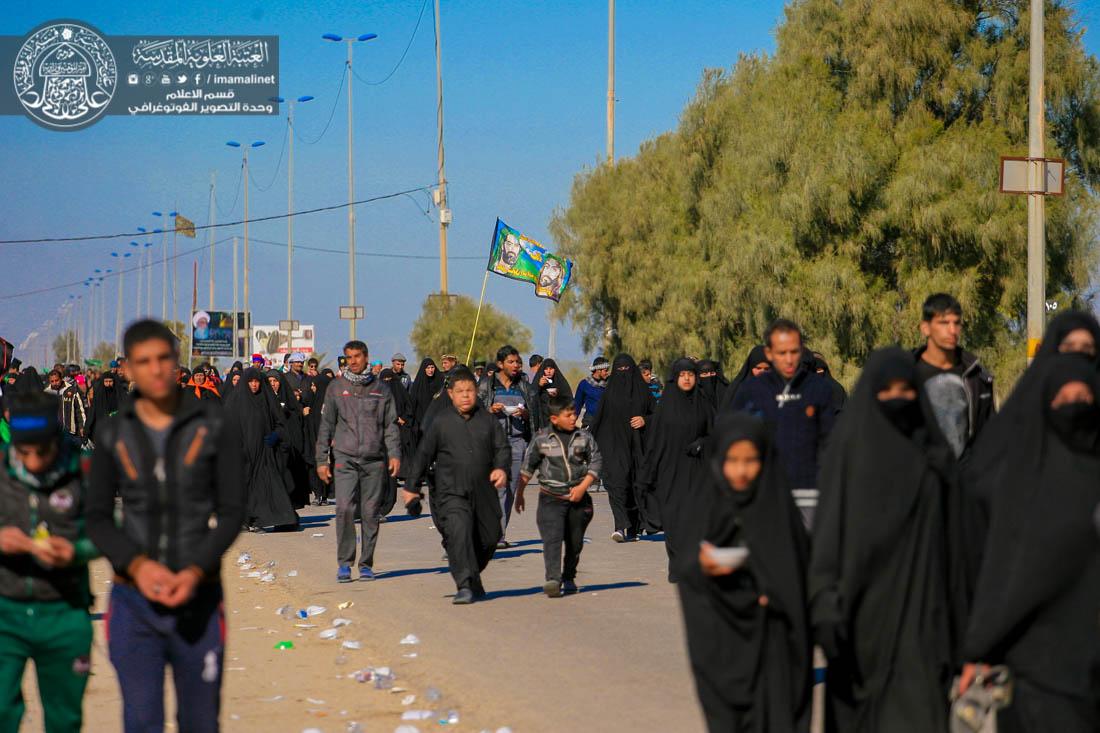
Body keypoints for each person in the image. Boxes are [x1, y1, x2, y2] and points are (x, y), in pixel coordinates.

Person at [86, 320, 244, 733]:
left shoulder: (212, 424)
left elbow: (232, 511)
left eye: (163, 359)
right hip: (134, 601)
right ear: (127, 369)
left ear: (177, 363)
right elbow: (97, 517)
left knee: (200, 722)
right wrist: (138, 567)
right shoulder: (113, 433)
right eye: (143, 361)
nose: (155, 369)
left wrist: (195, 570)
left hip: (200, 598)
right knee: (141, 720)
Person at [808, 347, 954, 733]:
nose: (897, 399)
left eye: (906, 390)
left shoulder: (936, 462)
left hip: (924, 629)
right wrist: (825, 613)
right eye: (885, 390)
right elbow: (826, 545)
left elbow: (961, 549)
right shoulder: (848, 460)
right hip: (856, 632)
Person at [958, 354, 1099, 731]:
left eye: (1084, 400)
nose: (1075, 410)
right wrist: (979, 648)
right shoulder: (1024, 483)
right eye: (1064, 400)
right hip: (1037, 666)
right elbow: (1007, 571)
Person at [676, 413, 811, 733]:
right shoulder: (706, 506)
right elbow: (687, 571)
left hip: (773, 645)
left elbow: (799, 577)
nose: (741, 470)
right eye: (732, 460)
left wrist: (771, 590)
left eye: (751, 460)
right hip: (721, 648)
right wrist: (702, 568)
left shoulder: (777, 509)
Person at [0, 392, 99, 733]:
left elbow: (109, 532)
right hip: (5, 612)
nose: (32, 462)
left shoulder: (82, 468)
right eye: (22, 452)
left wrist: (77, 550)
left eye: (41, 452)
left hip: (65, 612)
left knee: (64, 719)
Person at [404, 368, 510, 604]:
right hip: (451, 491)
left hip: (484, 491)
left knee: (490, 537)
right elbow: (423, 454)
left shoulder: (488, 420)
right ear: (450, 394)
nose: (465, 396)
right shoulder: (441, 422)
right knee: (458, 533)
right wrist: (412, 486)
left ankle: (473, 576)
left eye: (470, 390)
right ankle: (463, 584)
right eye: (460, 391)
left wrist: (501, 468)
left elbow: (503, 448)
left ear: (477, 392)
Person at [729, 319, 839, 527]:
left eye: (794, 352)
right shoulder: (751, 391)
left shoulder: (819, 389)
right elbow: (734, 441)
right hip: (765, 493)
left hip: (810, 494)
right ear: (769, 353)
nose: (789, 359)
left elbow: (829, 443)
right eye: (781, 353)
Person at [315, 340, 401, 583]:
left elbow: (390, 425)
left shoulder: (381, 389)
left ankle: (366, 563)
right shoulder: (335, 387)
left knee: (371, 512)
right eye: (348, 357)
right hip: (345, 457)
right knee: (343, 508)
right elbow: (326, 426)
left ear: (366, 357)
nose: (352, 361)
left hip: (374, 460)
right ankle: (345, 562)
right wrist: (322, 459)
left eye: (356, 357)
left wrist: (395, 453)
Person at [515, 394, 601, 597]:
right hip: (550, 498)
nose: (574, 418)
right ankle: (553, 579)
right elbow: (528, 468)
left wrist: (582, 488)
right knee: (552, 539)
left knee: (575, 542)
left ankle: (568, 575)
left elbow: (596, 461)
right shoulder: (542, 439)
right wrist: (520, 494)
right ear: (554, 419)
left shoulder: (584, 437)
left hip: (578, 500)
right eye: (569, 415)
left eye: (574, 414)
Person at [639, 358, 713, 580]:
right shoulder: (666, 406)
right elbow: (654, 443)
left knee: (695, 518)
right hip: (669, 471)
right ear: (675, 378)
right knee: (673, 518)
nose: (687, 378)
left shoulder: (704, 404)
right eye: (683, 375)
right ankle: (677, 563)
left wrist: (703, 442)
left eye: (691, 374)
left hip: (698, 469)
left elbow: (716, 432)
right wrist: (647, 473)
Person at [913, 293, 994, 459]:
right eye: (943, 322)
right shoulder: (904, 373)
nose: (952, 330)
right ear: (925, 328)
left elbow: (990, 436)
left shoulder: (977, 377)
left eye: (956, 323)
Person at [589, 354, 657, 541]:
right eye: (619, 369)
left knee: (635, 486)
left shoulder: (644, 392)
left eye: (627, 369)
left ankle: (634, 528)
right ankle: (619, 526)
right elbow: (598, 420)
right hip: (614, 447)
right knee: (616, 483)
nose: (623, 373)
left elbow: (657, 416)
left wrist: (645, 420)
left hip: (638, 447)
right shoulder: (609, 393)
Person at [477, 345, 540, 546]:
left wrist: (525, 414)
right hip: (491, 443)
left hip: (517, 442)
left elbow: (534, 415)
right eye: (511, 362)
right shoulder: (488, 385)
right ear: (500, 364)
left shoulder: (524, 385)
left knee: (511, 489)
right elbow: (475, 411)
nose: (516, 365)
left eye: (518, 362)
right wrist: (489, 409)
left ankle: (500, 534)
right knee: (496, 488)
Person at [83, 372, 125, 445]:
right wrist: (86, 430)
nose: (108, 384)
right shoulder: (99, 395)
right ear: (103, 382)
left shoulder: (119, 394)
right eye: (106, 381)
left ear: (114, 382)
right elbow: (92, 413)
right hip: (102, 430)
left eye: (110, 381)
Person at [532, 357, 573, 430]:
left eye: (551, 369)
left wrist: (557, 396)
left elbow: (569, 399)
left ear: (555, 369)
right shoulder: (538, 381)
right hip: (542, 420)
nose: (548, 371)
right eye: (546, 369)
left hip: (558, 420)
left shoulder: (560, 382)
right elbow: (531, 398)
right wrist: (539, 386)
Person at [44, 369, 86, 439]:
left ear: (61, 379)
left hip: (70, 432)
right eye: (52, 381)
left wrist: (82, 426)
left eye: (56, 380)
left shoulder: (71, 390)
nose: (55, 383)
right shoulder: (46, 393)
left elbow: (80, 410)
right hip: (53, 433)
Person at [573, 356, 610, 426]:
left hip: (606, 422)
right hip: (589, 421)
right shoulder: (584, 384)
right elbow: (577, 404)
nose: (607, 373)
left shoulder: (610, 383)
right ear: (598, 370)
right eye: (605, 370)